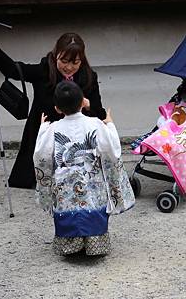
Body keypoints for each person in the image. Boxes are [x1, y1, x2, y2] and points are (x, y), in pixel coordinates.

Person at [0, 33, 107, 188]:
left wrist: (88, 104)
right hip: (45, 133)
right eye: (64, 61)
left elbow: (99, 112)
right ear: (56, 56)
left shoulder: (89, 77)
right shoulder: (44, 70)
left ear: (82, 61)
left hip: (76, 137)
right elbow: (15, 70)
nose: (69, 67)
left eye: (75, 62)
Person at [33, 81, 135, 256]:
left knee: (67, 205)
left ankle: (70, 246)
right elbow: (111, 150)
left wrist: (43, 129)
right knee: (93, 203)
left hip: (65, 185)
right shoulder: (95, 124)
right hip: (91, 182)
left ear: (57, 108)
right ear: (83, 102)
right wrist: (109, 124)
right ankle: (95, 245)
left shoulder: (53, 129)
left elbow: (41, 155)